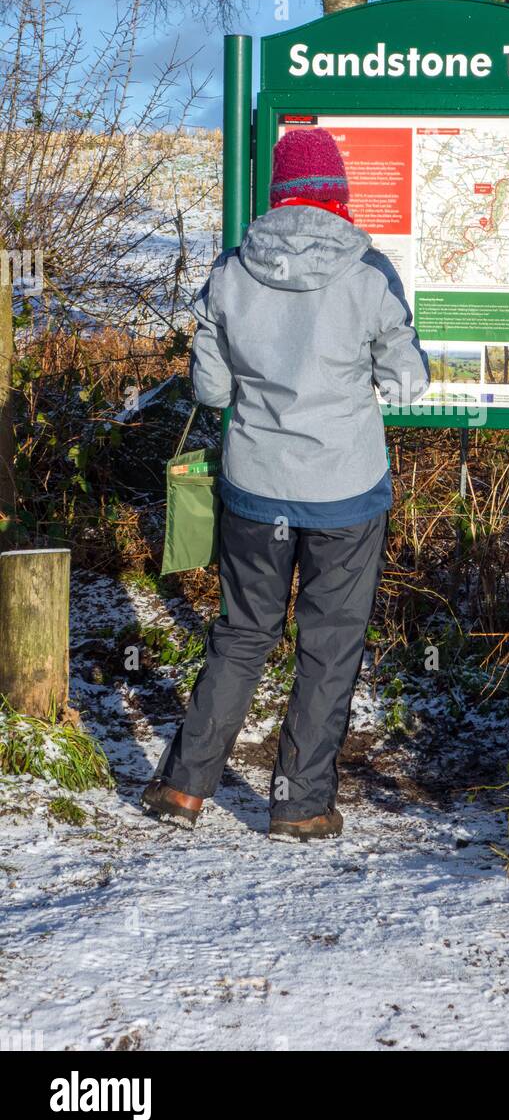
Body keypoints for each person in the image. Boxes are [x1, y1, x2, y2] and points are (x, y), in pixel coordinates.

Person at [142, 127, 430, 841]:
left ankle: (182, 788)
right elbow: (408, 382)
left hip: (255, 488)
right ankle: (301, 803)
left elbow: (209, 390)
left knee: (242, 635)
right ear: (338, 195)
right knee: (330, 645)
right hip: (346, 491)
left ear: (274, 198)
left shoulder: (230, 272)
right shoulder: (371, 273)